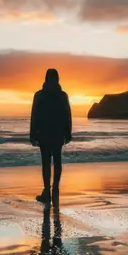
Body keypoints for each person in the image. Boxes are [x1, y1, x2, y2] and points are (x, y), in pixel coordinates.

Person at [29, 68, 72, 205]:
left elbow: (34, 115)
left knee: (46, 163)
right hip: (58, 133)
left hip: (44, 133)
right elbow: (67, 115)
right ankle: (55, 191)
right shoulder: (63, 95)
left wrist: (32, 134)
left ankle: (47, 192)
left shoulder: (39, 95)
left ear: (46, 78)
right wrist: (68, 132)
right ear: (58, 79)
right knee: (57, 161)